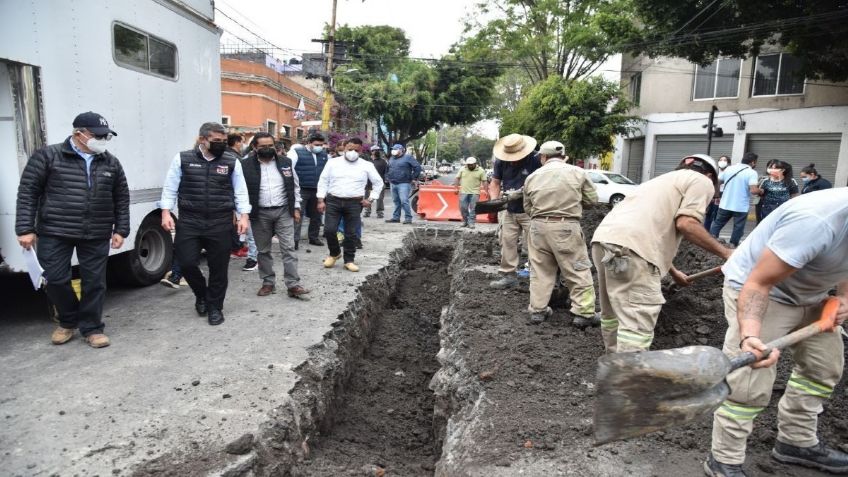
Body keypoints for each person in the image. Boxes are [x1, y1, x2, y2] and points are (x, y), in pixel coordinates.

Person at [704, 188, 848, 477]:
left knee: (824, 368)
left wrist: (843, 299)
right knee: (749, 379)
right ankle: (724, 460)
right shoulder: (816, 221)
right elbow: (758, 283)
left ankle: (795, 443)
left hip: (813, 295)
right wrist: (749, 337)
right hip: (762, 291)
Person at [592, 154, 732, 352]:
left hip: (604, 242)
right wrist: (725, 252)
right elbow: (686, 223)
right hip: (632, 248)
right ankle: (628, 378)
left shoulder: (659, 181)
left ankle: (612, 364)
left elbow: (647, 232)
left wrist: (674, 272)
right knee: (637, 321)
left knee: (612, 312)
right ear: (710, 174)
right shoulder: (703, 181)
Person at [15, 111, 129, 348]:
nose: (103, 140)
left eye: (106, 136)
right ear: (78, 134)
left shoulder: (110, 162)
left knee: (95, 282)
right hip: (55, 231)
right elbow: (28, 193)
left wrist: (121, 229)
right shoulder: (48, 156)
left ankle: (92, 327)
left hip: (96, 231)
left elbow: (121, 198)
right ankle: (68, 320)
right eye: (97, 135)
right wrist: (25, 228)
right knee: (55, 279)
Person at [159, 122, 251, 326]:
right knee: (187, 263)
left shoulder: (230, 161)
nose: (221, 145)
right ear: (202, 139)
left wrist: (243, 215)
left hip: (220, 222)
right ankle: (201, 295)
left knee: (218, 268)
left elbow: (240, 190)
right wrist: (165, 211)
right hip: (190, 221)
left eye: (223, 141)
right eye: (216, 141)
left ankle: (215, 307)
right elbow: (170, 186)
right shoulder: (183, 158)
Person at [523, 141, 599, 327]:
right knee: (578, 270)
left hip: (538, 228)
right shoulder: (578, 173)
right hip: (566, 227)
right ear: (563, 156)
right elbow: (591, 200)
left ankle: (538, 311)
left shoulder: (532, 177)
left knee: (540, 271)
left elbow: (527, 207)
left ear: (543, 157)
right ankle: (584, 313)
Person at [240, 132, 310, 299]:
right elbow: (240, 190)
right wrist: (241, 213)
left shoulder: (286, 163)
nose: (267, 149)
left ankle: (293, 285)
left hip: (284, 211)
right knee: (263, 250)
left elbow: (295, 187)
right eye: (263, 146)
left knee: (289, 248)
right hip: (259, 213)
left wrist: (297, 207)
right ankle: (268, 282)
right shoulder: (244, 165)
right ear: (254, 147)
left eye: (270, 145)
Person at [317, 137, 384, 272]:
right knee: (329, 230)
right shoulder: (332, 163)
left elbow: (379, 183)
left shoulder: (366, 165)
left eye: (356, 150)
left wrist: (370, 199)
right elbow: (323, 181)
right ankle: (334, 253)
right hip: (333, 200)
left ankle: (349, 260)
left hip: (354, 203)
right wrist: (320, 199)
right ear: (344, 148)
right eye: (350, 149)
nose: (352, 152)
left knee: (351, 233)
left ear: (360, 151)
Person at [488, 133, 542, 289]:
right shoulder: (501, 162)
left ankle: (537, 277)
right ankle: (508, 276)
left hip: (530, 210)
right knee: (507, 242)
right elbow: (495, 183)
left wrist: (521, 192)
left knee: (535, 244)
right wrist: (494, 201)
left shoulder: (536, 160)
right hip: (509, 209)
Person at [710, 152, 761, 247]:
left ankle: (710, 243)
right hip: (740, 207)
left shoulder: (729, 168)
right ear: (753, 162)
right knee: (738, 228)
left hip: (725, 204)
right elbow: (754, 190)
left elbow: (717, 181)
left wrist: (716, 195)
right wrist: (761, 191)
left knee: (717, 225)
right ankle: (732, 247)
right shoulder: (752, 172)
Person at [288, 133, 328, 248]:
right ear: (309, 143)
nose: (319, 147)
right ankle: (294, 240)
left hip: (318, 190)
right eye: (317, 144)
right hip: (301, 189)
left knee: (317, 215)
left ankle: (314, 237)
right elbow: (290, 168)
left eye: (321, 145)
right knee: (298, 215)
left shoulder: (324, 155)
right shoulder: (296, 152)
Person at [385, 143, 421, 224]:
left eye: (396, 149)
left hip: (404, 183)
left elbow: (417, 167)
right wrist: (387, 177)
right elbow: (387, 168)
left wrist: (414, 177)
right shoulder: (391, 158)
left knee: (404, 201)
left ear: (401, 150)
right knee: (396, 201)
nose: (394, 151)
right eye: (393, 149)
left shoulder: (408, 157)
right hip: (393, 183)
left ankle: (408, 218)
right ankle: (396, 217)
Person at [454, 157, 488, 228]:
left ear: (475, 164)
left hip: (475, 192)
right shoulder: (462, 169)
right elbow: (457, 178)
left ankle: (471, 222)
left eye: (471, 165)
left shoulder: (481, 170)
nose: (469, 166)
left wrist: (486, 190)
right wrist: (456, 188)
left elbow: (484, 181)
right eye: (468, 165)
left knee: (473, 208)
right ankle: (465, 221)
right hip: (464, 192)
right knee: (463, 208)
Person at [704, 155, 730, 232]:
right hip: (712, 193)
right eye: (721, 160)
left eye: (725, 160)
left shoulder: (729, 172)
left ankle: (713, 235)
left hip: (722, 194)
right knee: (708, 214)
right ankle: (706, 232)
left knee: (716, 216)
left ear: (728, 163)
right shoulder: (714, 171)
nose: (722, 162)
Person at [363, 145, 388, 218]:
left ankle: (379, 212)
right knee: (368, 198)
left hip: (380, 184)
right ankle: (367, 211)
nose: (377, 152)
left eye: (378, 150)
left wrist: (386, 180)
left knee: (380, 198)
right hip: (369, 184)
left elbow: (386, 172)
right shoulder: (368, 162)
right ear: (372, 152)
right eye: (375, 150)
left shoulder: (383, 162)